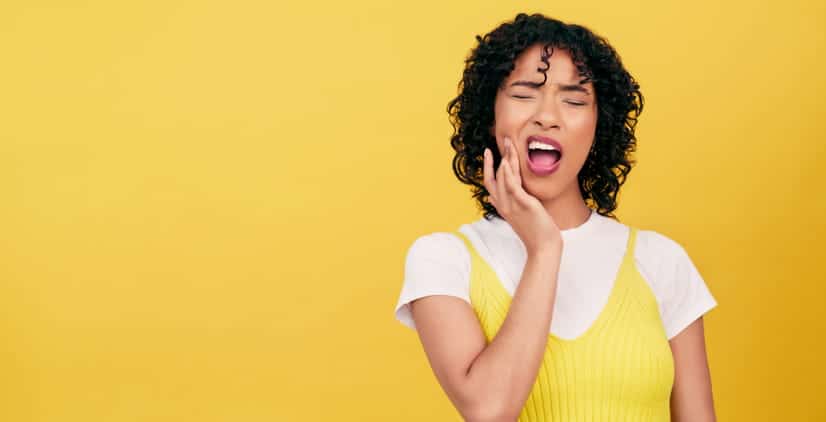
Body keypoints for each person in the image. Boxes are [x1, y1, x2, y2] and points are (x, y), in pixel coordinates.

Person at [393, 12, 719, 422]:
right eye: (525, 93)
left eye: (574, 100)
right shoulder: (443, 259)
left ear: (599, 125)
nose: (547, 116)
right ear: (491, 116)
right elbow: (489, 410)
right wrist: (544, 249)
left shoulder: (660, 260)